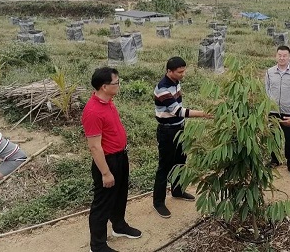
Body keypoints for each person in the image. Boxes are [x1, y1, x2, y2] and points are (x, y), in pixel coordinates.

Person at [82, 67, 141, 252]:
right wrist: (106, 173)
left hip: (120, 156)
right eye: (116, 82)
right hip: (107, 161)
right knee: (102, 203)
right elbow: (94, 147)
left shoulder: (108, 102)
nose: (119, 85)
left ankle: (119, 226)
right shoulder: (93, 111)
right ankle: (97, 245)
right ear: (104, 86)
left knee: (120, 195)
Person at [153, 56, 211, 218]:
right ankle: (158, 202)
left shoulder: (175, 82)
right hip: (167, 131)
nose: (183, 74)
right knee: (164, 166)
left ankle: (177, 190)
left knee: (180, 161)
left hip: (179, 128)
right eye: (180, 72)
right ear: (169, 71)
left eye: (184, 71)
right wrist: (203, 114)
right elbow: (178, 111)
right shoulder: (162, 88)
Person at [265, 45, 290, 179]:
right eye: (279, 55)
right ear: (276, 56)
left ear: (289, 57)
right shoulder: (269, 72)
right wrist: (271, 103)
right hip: (273, 110)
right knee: (273, 136)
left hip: (289, 111)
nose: (282, 58)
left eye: (284, 55)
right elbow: (267, 90)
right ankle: (274, 160)